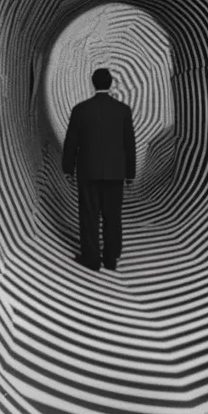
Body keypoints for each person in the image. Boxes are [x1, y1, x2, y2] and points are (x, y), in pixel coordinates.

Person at [62, 68, 136, 271]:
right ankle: (111, 259)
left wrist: (67, 168)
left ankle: (91, 259)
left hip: (88, 171)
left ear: (93, 83)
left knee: (89, 214)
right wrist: (130, 174)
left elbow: (72, 142)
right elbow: (129, 144)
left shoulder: (80, 110)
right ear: (110, 84)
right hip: (115, 173)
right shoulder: (123, 110)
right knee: (113, 216)